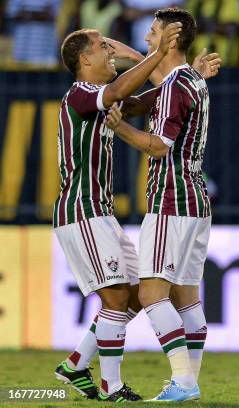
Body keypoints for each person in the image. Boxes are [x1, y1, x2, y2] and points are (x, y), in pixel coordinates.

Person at [54, 30, 221, 403]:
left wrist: (186, 75)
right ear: (84, 60)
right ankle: (110, 387)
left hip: (100, 212)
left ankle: (76, 365)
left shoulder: (102, 100)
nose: (110, 51)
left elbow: (149, 99)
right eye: (102, 47)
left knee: (132, 298)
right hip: (81, 211)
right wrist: (158, 54)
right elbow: (118, 93)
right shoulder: (81, 94)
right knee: (116, 299)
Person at [105, 7, 212, 402]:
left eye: (152, 33)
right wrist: (137, 60)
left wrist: (119, 129)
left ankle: (184, 381)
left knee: (151, 294)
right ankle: (188, 385)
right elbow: (147, 98)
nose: (146, 38)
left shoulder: (175, 87)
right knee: (186, 297)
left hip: (171, 201)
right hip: (195, 201)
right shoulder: (191, 81)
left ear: (171, 38)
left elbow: (158, 146)